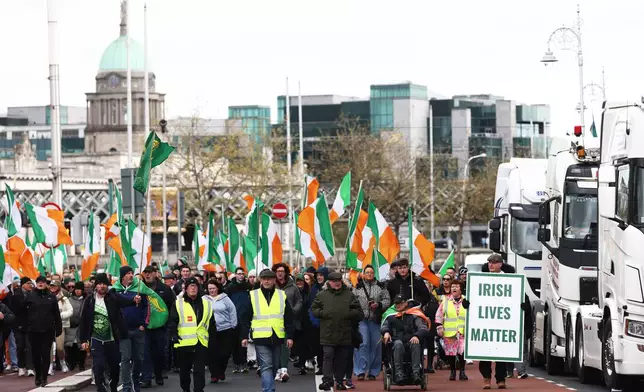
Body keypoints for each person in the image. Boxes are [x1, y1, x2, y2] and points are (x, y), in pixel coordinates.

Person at [240, 269, 295, 392]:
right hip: (260, 336)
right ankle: (268, 390)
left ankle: (270, 386)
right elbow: (245, 317)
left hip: (277, 336)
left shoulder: (281, 295)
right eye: (264, 278)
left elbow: (288, 317)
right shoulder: (253, 295)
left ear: (274, 280)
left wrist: (290, 336)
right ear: (260, 280)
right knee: (266, 366)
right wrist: (244, 336)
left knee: (275, 366)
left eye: (269, 278)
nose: (266, 281)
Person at [311, 272, 363, 391]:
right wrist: (323, 313)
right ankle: (327, 380)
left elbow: (359, 312)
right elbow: (314, 309)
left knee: (341, 359)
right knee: (328, 357)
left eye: (338, 280)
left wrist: (347, 314)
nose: (337, 283)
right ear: (329, 282)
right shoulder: (322, 295)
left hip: (344, 332)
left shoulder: (349, 295)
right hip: (327, 332)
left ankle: (339, 381)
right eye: (334, 281)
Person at [79, 273, 130, 392]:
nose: (102, 286)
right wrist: (83, 340)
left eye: (104, 284)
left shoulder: (113, 298)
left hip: (112, 339)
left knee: (114, 367)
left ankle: (113, 387)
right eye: (99, 284)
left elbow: (126, 301)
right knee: (98, 366)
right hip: (96, 339)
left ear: (108, 286)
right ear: (95, 286)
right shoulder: (89, 300)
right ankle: (100, 388)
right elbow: (84, 321)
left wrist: (134, 299)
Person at [168, 277, 213, 392]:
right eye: (190, 287)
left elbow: (211, 322)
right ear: (186, 289)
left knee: (199, 370)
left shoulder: (206, 303)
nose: (193, 289)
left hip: (200, 341)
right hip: (183, 342)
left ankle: (198, 389)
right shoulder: (178, 303)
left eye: (195, 286)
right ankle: (185, 389)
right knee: (184, 371)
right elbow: (173, 320)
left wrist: (213, 339)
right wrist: (173, 334)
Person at [112, 266, 149, 392]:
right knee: (125, 358)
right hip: (123, 331)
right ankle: (127, 385)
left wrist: (144, 324)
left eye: (132, 273)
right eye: (128, 273)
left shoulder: (139, 289)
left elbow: (147, 308)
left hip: (138, 330)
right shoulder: (115, 291)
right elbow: (114, 306)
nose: (131, 275)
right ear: (122, 276)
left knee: (139, 358)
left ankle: (136, 380)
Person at [352, 264, 390, 380]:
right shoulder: (357, 287)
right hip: (362, 320)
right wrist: (357, 310)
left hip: (375, 320)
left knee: (376, 345)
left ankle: (373, 372)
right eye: (367, 272)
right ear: (363, 273)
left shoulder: (380, 287)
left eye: (371, 273)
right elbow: (352, 301)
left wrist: (378, 305)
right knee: (363, 344)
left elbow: (387, 300)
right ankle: (360, 371)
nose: (369, 274)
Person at [381, 295, 429, 385]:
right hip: (396, 342)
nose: (398, 305)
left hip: (411, 341)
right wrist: (386, 332)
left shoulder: (415, 314)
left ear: (406, 303)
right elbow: (385, 326)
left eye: (400, 303)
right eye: (396, 303)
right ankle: (399, 374)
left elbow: (423, 327)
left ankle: (416, 374)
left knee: (415, 343)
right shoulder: (390, 315)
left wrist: (417, 336)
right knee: (398, 344)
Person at [141, 265, 176, 388]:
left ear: (156, 273)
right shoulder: (140, 288)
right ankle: (146, 377)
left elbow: (172, 307)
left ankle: (159, 373)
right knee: (145, 352)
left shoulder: (165, 289)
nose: (147, 275)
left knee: (160, 352)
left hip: (161, 327)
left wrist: (169, 324)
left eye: (150, 272)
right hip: (144, 327)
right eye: (145, 272)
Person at [25, 276, 62, 387]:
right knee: (35, 355)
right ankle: (38, 375)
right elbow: (23, 312)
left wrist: (58, 328)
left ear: (46, 284)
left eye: (42, 282)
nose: (40, 284)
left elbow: (56, 314)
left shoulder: (51, 297)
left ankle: (44, 377)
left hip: (48, 330)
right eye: (38, 282)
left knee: (46, 354)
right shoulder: (30, 295)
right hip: (33, 330)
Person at [478, 254, 509, 389]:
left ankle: (500, 379)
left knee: (501, 352)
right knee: (485, 352)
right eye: (489, 262)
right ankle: (486, 378)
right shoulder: (482, 279)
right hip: (486, 321)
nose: (491, 264)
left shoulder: (509, 279)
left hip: (502, 321)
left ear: (500, 264)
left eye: (494, 262)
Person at [272, 262, 302, 382]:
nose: (280, 273)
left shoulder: (292, 286)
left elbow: (299, 300)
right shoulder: (272, 285)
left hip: (288, 320)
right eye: (277, 271)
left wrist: (294, 310)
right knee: (275, 345)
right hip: (274, 319)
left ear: (286, 273)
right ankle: (277, 369)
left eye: (282, 271)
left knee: (285, 344)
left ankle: (284, 369)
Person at [205, 279, 237, 383]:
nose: (212, 290)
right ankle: (214, 374)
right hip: (210, 330)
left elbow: (232, 311)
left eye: (213, 288)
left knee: (224, 353)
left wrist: (233, 325)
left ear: (217, 288)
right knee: (212, 353)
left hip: (225, 329)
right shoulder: (204, 299)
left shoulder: (225, 298)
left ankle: (221, 371)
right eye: (210, 289)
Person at [435, 280, 468, 381]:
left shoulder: (466, 300)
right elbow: (439, 314)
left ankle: (462, 371)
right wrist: (439, 327)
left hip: (463, 331)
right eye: (453, 286)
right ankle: (452, 372)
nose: (454, 288)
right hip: (450, 332)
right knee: (451, 353)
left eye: (457, 286)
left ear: (461, 289)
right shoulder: (445, 301)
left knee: (462, 352)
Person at [225, 267, 252, 374]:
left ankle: (244, 363)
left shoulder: (248, 287)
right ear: (235, 275)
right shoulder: (230, 288)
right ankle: (236, 364)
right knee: (234, 342)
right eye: (238, 273)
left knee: (244, 341)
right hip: (233, 318)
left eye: (242, 273)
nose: (240, 275)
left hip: (245, 318)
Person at [11, 276, 34, 376]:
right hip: (18, 325)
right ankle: (21, 366)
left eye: (31, 283)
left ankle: (30, 368)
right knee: (20, 346)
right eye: (28, 283)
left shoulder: (33, 294)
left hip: (30, 325)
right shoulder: (16, 295)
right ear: (23, 284)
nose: (30, 285)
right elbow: (16, 309)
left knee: (29, 346)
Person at [49, 280, 73, 375]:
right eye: (51, 286)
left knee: (59, 347)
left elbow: (70, 311)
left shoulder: (64, 299)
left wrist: (60, 315)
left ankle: (63, 362)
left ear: (58, 287)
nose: (52, 287)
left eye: (54, 286)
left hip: (60, 325)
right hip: (49, 326)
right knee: (49, 347)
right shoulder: (47, 297)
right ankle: (50, 366)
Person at [66, 281, 86, 371]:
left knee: (82, 346)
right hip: (71, 326)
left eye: (80, 290)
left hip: (82, 326)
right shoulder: (69, 300)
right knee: (71, 345)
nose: (78, 291)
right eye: (76, 289)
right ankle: (71, 363)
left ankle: (81, 363)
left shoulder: (86, 300)